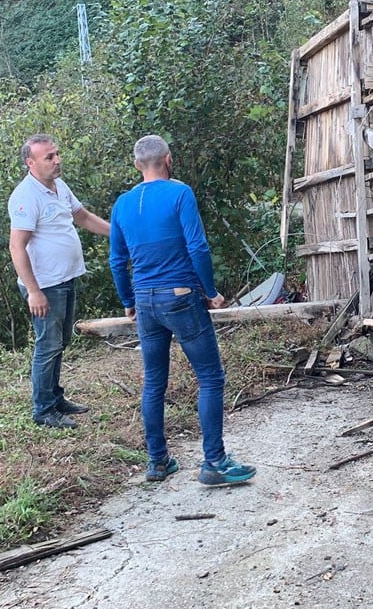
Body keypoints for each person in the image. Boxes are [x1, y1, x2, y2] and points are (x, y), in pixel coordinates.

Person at [108, 135, 256, 486]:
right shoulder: (179, 193)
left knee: (154, 380)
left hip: (145, 300)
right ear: (168, 159)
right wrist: (210, 291)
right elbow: (198, 247)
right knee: (209, 376)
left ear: (136, 165)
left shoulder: (122, 204)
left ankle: (157, 461)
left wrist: (128, 299)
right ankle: (215, 462)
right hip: (181, 294)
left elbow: (117, 260)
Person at [8, 133, 111, 429]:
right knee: (48, 344)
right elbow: (17, 247)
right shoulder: (25, 197)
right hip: (45, 286)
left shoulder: (58, 186)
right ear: (31, 163)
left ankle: (56, 398)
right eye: (49, 157)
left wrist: (118, 233)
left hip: (65, 279)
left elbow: (83, 216)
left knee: (60, 342)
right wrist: (33, 291)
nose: (57, 160)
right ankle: (43, 410)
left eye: (57, 154)